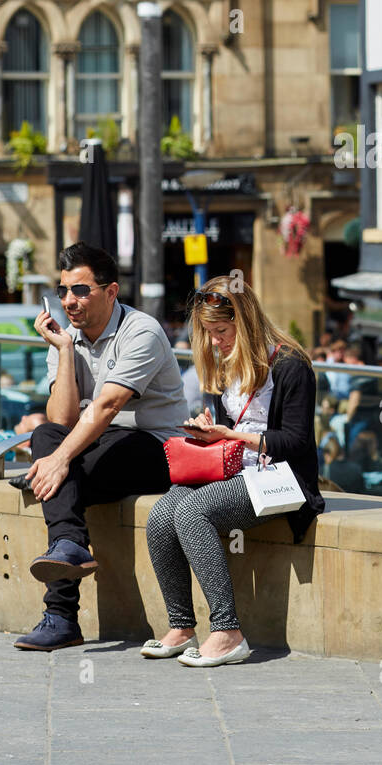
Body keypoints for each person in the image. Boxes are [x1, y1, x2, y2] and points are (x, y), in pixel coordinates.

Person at [14, 243, 189, 651]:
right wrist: (62, 352)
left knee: (60, 473)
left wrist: (58, 460)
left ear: (111, 292)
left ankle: (60, 615)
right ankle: (69, 550)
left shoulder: (141, 331)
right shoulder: (67, 339)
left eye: (80, 290)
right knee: (44, 436)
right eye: (63, 292)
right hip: (101, 444)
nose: (69, 302)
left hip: (155, 447)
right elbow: (62, 421)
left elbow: (108, 407)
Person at [143, 276, 323, 666]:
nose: (214, 342)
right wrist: (211, 430)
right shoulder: (223, 365)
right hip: (231, 469)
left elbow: (296, 443)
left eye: (221, 331)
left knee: (192, 512)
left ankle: (227, 631)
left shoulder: (291, 367)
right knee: (160, 517)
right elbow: (226, 431)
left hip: (280, 477)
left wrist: (234, 435)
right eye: (208, 333)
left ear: (245, 323)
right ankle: (182, 624)